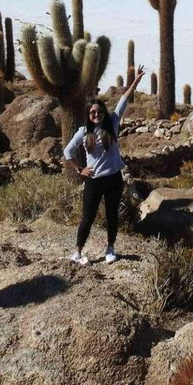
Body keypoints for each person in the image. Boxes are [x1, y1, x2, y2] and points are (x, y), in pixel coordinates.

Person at [64, 65, 146, 264]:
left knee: (112, 216)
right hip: (94, 181)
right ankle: (78, 252)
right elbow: (67, 152)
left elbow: (123, 101)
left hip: (113, 179)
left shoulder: (113, 124)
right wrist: (79, 169)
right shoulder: (83, 132)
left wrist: (135, 81)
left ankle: (110, 249)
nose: (96, 114)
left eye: (99, 111)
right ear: (88, 114)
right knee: (87, 218)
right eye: (93, 112)